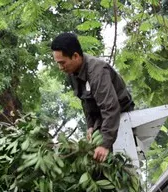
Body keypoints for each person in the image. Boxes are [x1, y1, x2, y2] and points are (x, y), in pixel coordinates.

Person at [51, 33, 135, 162]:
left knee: (109, 159)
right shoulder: (72, 73)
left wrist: (105, 145)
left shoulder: (97, 72)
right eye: (58, 63)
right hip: (101, 118)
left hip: (120, 114)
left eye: (62, 63)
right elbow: (85, 101)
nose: (60, 68)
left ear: (75, 56)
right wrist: (90, 126)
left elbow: (110, 107)